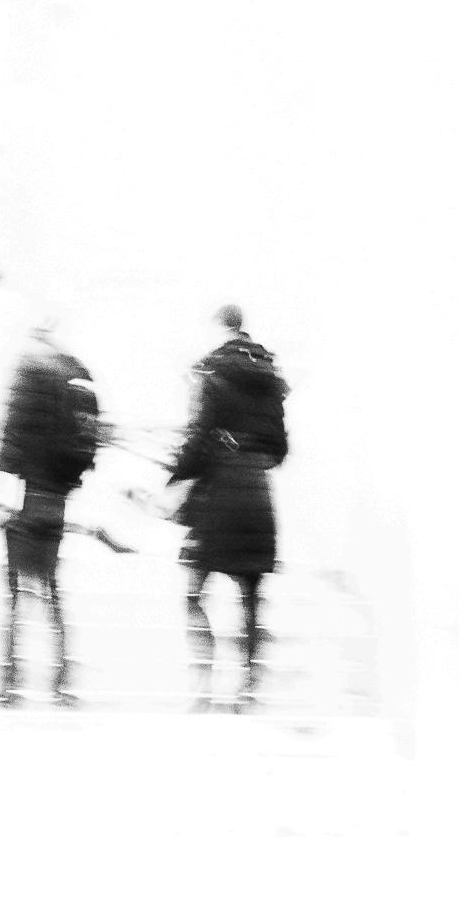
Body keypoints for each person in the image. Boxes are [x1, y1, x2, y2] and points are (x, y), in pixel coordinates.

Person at [166, 304, 290, 713]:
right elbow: (281, 449)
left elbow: (198, 438)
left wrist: (176, 474)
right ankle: (249, 687)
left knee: (194, 592)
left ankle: (205, 681)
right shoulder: (269, 376)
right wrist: (252, 455)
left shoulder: (211, 371)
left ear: (220, 327)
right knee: (250, 598)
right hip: (257, 494)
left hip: (218, 494)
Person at [0, 316, 102, 707]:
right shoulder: (77, 375)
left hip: (23, 495)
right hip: (55, 497)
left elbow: (10, 437)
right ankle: (63, 681)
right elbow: (91, 441)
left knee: (16, 593)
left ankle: (10, 682)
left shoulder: (27, 371)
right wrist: (69, 482)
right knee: (51, 589)